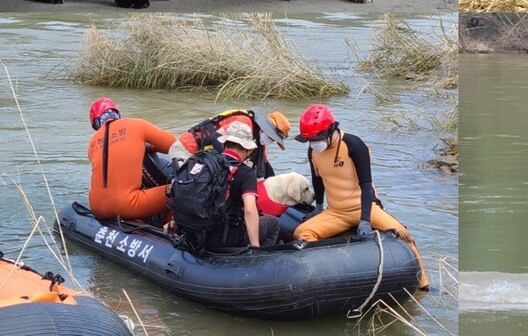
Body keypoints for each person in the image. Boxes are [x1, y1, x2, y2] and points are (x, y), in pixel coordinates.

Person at [291, 104, 430, 290]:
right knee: (301, 233)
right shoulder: (313, 151)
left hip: (365, 208)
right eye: (309, 140)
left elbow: (366, 185)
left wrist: (364, 220)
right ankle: (332, 272)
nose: (314, 143)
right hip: (336, 212)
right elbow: (318, 180)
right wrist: (318, 207)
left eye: (317, 138)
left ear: (331, 129)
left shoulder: (354, 145)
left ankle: (423, 284)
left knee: (404, 235)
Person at [188, 122, 281, 250]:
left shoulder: (203, 162)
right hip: (224, 239)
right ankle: (258, 260)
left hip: (194, 233)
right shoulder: (246, 173)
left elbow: (187, 193)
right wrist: (255, 247)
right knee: (273, 223)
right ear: (248, 150)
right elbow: (249, 210)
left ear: (224, 144)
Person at [86, 97, 176, 221]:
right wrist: (151, 147)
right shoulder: (137, 125)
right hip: (128, 204)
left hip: (96, 207)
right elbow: (176, 146)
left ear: (96, 123)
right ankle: (172, 232)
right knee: (181, 189)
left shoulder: (91, 143)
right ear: (117, 113)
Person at [168, 109, 291, 178]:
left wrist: (276, 184)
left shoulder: (258, 141)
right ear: (265, 129)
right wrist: (232, 166)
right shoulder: (244, 122)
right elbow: (215, 138)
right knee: (189, 189)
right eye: (272, 138)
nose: (271, 141)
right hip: (187, 150)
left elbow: (266, 166)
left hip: (202, 158)